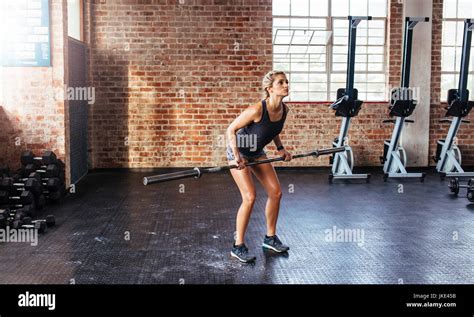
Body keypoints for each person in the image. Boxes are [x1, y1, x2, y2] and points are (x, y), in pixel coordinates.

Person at [226, 70, 292, 263]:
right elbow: (231, 129)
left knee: (276, 192)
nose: (286, 85)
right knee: (250, 196)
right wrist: (237, 156)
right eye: (281, 82)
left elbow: (273, 130)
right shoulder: (256, 110)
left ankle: (270, 238)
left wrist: (281, 149)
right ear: (269, 88)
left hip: (256, 152)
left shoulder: (284, 110)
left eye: (287, 81)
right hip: (238, 152)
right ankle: (238, 245)